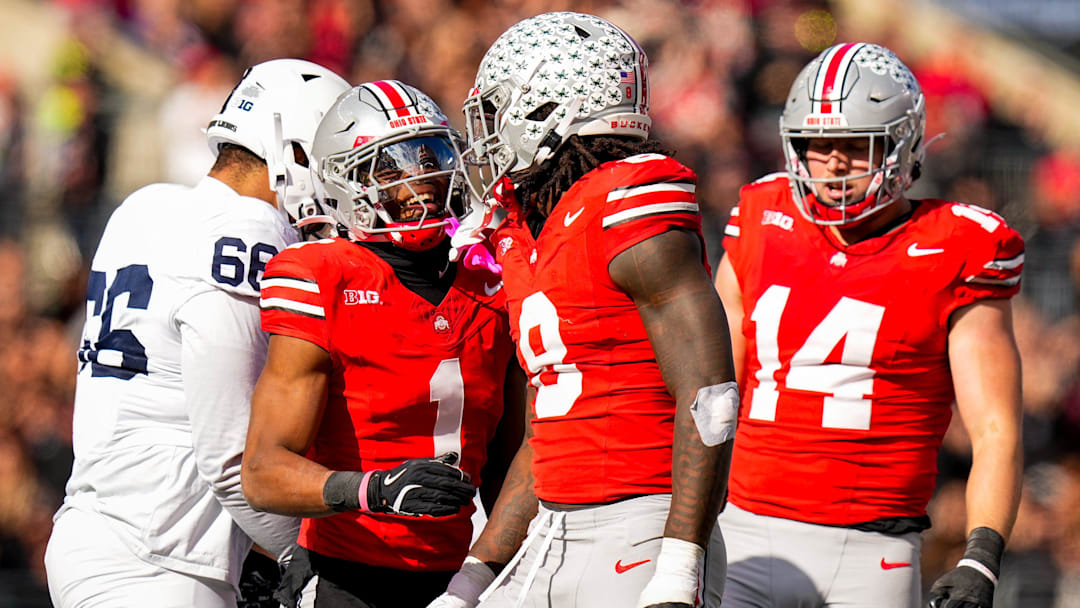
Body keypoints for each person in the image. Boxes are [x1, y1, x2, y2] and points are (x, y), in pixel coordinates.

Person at [428, 11, 738, 608]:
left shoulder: (629, 200)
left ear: (549, 108)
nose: (487, 132)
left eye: (497, 110)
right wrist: (471, 580)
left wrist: (679, 565)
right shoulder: (526, 228)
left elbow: (710, 393)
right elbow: (548, 433)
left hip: (644, 525)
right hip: (554, 526)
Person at [707, 42, 1024, 608]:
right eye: (816, 143)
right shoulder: (762, 217)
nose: (831, 162)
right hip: (743, 532)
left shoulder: (960, 245)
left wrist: (982, 553)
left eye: (854, 145)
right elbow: (711, 389)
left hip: (872, 550)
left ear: (902, 145)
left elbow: (996, 428)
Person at [44, 59, 350, 607]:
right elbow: (233, 458)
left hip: (98, 528)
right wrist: (309, 560)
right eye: (332, 162)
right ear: (295, 153)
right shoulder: (246, 230)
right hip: (160, 556)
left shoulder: (143, 206)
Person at [240, 80, 526, 608]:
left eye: (430, 158)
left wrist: (497, 569)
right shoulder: (323, 277)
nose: (419, 181)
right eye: (390, 170)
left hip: (468, 573)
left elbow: (513, 467)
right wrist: (373, 490)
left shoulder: (494, 283)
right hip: (350, 573)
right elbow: (262, 471)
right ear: (347, 185)